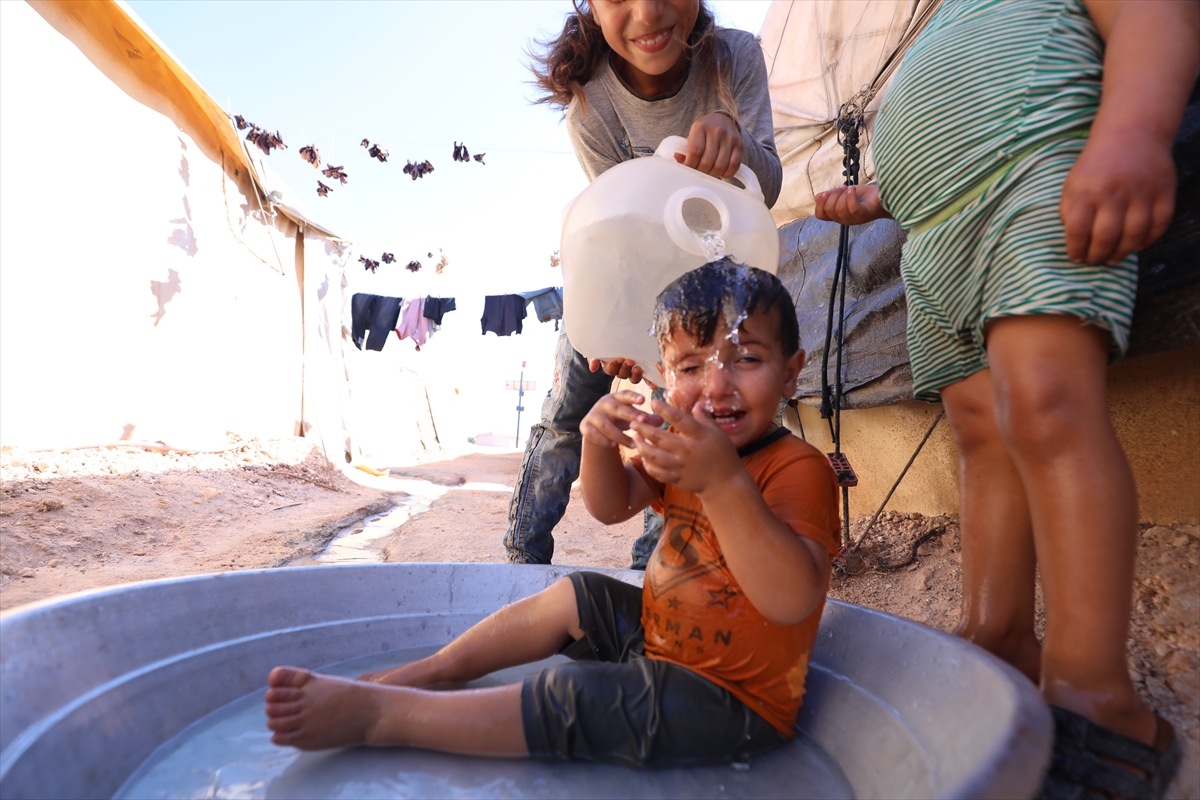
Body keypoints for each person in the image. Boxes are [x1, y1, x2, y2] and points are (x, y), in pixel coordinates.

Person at [812, 1, 1196, 796]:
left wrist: (1132, 130)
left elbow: (1156, 13)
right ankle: (999, 635)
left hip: (1031, 176)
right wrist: (881, 195)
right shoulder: (943, 18)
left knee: (1045, 405)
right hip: (931, 240)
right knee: (979, 434)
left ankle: (1096, 695)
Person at [263, 262, 840, 766]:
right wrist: (597, 443)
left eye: (746, 359)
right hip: (660, 643)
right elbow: (610, 507)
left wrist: (724, 483)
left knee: (576, 694)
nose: (717, 385)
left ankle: (384, 717)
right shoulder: (683, 448)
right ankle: (435, 670)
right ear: (665, 375)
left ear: (790, 372)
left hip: (730, 700)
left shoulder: (798, 468)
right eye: (691, 367)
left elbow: (792, 599)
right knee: (580, 593)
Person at [507, 0, 783, 568]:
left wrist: (736, 137)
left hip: (705, 299)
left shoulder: (734, 58)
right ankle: (523, 555)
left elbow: (769, 185)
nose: (648, 11)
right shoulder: (592, 105)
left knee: (681, 418)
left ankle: (651, 571)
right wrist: (625, 337)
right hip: (616, 285)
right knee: (567, 415)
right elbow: (616, 231)